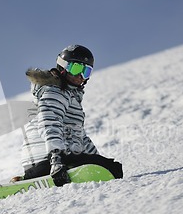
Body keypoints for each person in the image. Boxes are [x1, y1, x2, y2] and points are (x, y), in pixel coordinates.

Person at [18, 44, 123, 186]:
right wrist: (56, 158)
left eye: (86, 71)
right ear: (63, 67)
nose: (80, 76)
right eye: (76, 69)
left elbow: (80, 136)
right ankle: (33, 176)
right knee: (111, 168)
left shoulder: (71, 96)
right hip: (48, 158)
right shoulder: (55, 91)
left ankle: (30, 176)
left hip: (59, 157)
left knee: (110, 167)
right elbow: (49, 122)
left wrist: (96, 158)